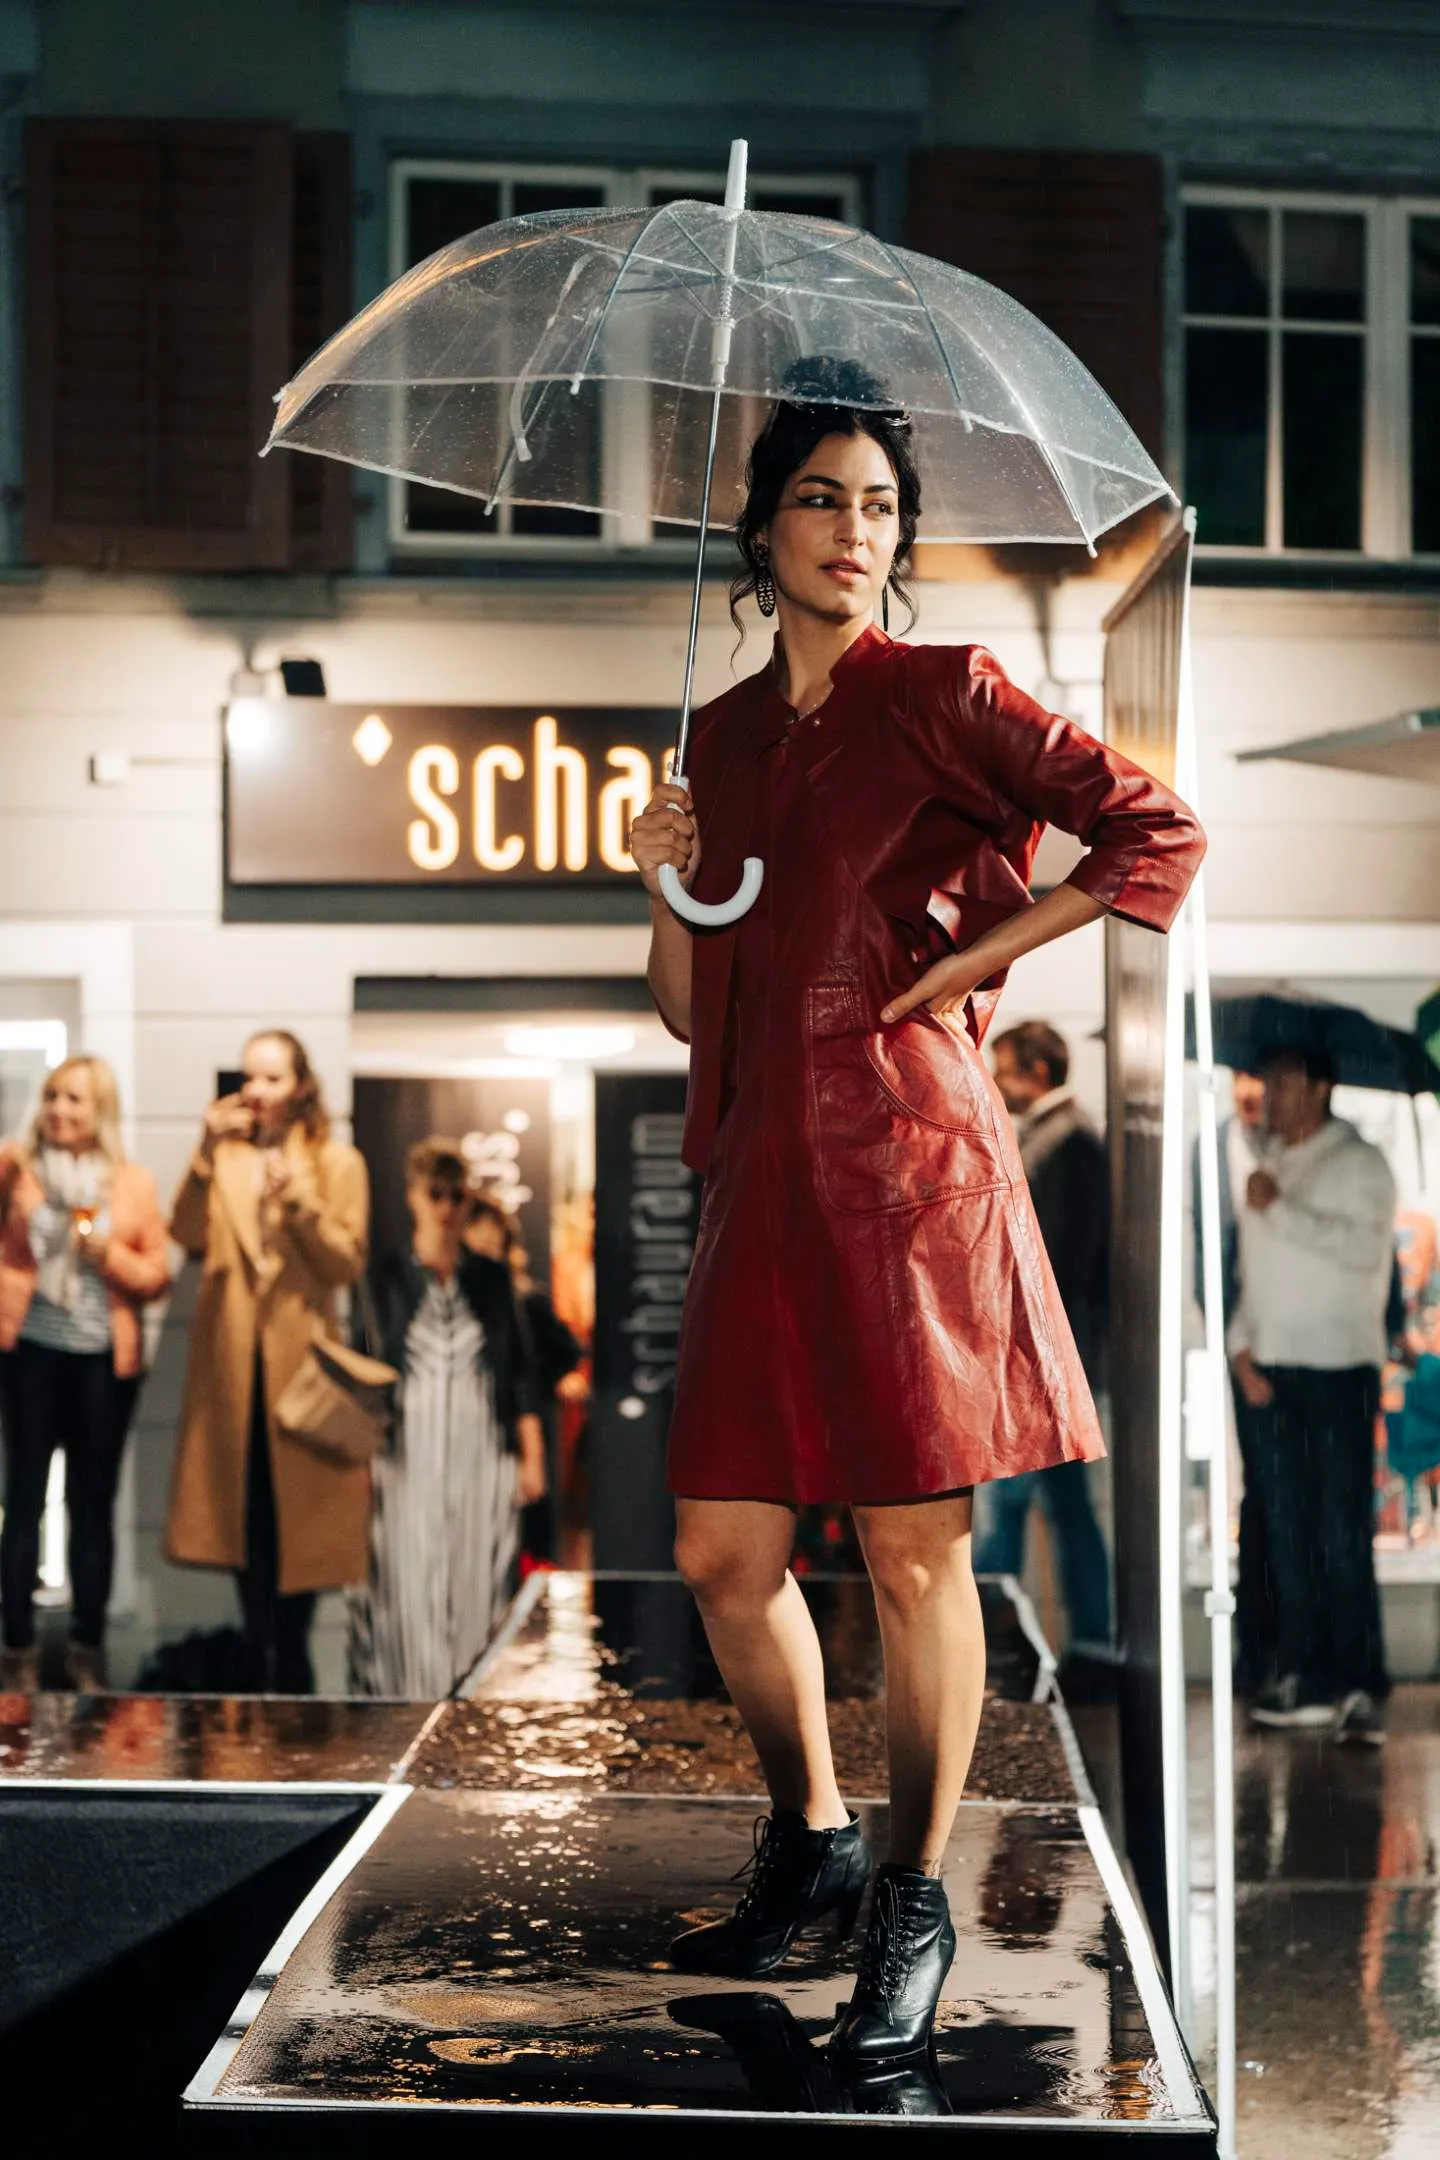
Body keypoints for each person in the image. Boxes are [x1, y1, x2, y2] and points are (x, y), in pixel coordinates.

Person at [629, 356, 1205, 2070]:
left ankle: (909, 1895)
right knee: (728, 1553)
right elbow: (687, 1005)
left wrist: (971, 957)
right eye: (820, 496)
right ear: (761, 522)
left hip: (909, 1166)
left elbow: (1149, 827)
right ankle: (809, 1832)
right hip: (757, 1173)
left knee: (908, 1552)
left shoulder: (946, 689)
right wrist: (654, 871)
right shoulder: (718, 740)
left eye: (879, 505)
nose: (852, 530)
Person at [165, 1031, 369, 1695]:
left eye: (272, 1078)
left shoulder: (337, 1162)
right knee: (243, 1529)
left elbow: (346, 1263)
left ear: (302, 1086)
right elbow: (187, 1236)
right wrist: (201, 1152)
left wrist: (301, 1203)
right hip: (232, 1377)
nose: (256, 1091)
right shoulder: (223, 1159)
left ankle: (296, 1692)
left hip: (304, 1380)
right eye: (249, 1077)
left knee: (299, 1541)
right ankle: (257, 1682)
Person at [1229, 1047, 1396, 1744]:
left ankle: (1359, 1681)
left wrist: (1283, 1207)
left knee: (1340, 1531)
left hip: (1336, 1370)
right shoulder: (1274, 1159)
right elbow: (1255, 1269)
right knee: (1287, 1534)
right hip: (1269, 1369)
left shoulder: (1359, 1163)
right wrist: (1240, 1345)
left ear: (1323, 1087)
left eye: (1286, 1083)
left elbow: (1363, 1252)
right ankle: (1306, 1675)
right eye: (1266, 1082)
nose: (1270, 1094)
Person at [349, 1143, 546, 1698]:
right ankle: (400, 1707)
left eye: (456, 1195)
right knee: (401, 1581)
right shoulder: (384, 1276)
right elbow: (362, 1369)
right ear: (413, 1197)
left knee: (477, 1578)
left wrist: (532, 1455)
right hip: (403, 1450)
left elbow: (518, 1372)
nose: (446, 1208)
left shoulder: (490, 1279)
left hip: (479, 1447)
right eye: (434, 1194)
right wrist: (359, 1460)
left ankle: (473, 1704)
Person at [0, 1058, 170, 1690]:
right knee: (22, 1498)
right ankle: (14, 1649)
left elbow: (156, 1276)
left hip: (102, 1359)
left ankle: (86, 1650)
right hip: (30, 1354)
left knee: (91, 1504)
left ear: (98, 1108)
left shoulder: (131, 1183)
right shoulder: (16, 1169)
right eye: (51, 1096)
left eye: (73, 1098)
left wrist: (109, 1255)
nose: (58, 1109)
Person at [973, 1022, 1111, 1650]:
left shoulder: (1070, 1141)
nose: (996, 1080)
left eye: (1004, 1067)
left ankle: (983, 1644)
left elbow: (1059, 1261)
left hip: (1039, 1360)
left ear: (1036, 1071)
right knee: (1064, 1509)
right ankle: (1086, 1640)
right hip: (1047, 1358)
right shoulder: (1065, 1136)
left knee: (1007, 1509)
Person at [1194, 1069, 1280, 1696]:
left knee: (1300, 1503)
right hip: (1243, 1340)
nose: (1251, 1092)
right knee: (1260, 1494)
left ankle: (1292, 1653)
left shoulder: (1300, 1147)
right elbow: (1209, 1251)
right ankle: (1260, 1652)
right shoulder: (1213, 1143)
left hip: (1304, 1341)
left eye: (1262, 1080)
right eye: (1244, 1078)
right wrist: (1232, 1340)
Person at [467, 1193, 585, 1561]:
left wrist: (542, 1384)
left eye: (493, 1239)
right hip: (468, 1431)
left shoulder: (521, 1297)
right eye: (479, 1238)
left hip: (516, 1427)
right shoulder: (446, 1299)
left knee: (520, 1538)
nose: (486, 1247)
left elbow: (557, 1353)